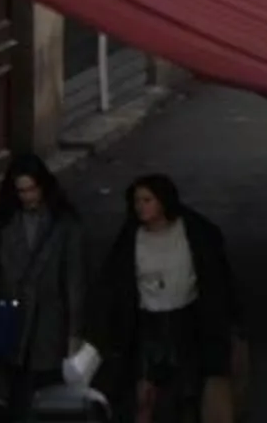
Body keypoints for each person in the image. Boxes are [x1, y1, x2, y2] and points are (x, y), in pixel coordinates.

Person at [93, 173, 241, 423]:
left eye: (147, 200)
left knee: (187, 395)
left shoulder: (192, 231)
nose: (141, 206)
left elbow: (216, 278)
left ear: (163, 201)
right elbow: (114, 284)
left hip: (184, 322)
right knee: (144, 397)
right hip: (148, 324)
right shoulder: (131, 239)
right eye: (137, 201)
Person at [0, 152, 85, 411]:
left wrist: (74, 331)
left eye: (32, 190)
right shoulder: (4, 222)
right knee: (16, 390)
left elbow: (75, 280)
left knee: (49, 393)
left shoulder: (64, 224)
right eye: (21, 191)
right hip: (13, 317)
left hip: (49, 320)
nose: (28, 197)